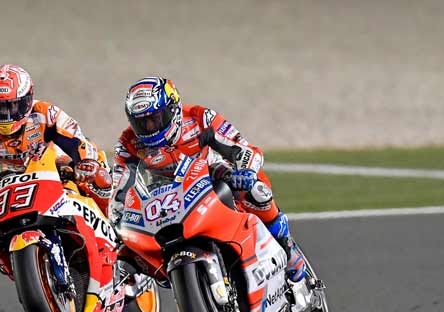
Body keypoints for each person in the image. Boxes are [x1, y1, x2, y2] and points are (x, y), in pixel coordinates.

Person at [110, 76, 305, 282]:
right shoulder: (128, 143)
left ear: (173, 109)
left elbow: (243, 148)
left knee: (256, 192)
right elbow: (120, 187)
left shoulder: (200, 118)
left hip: (214, 177)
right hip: (165, 198)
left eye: (155, 118)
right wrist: (116, 218)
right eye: (141, 122)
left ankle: (287, 246)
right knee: (124, 250)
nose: (150, 127)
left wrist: (245, 172)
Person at [0, 64, 112, 266]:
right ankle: (12, 263)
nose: (6, 115)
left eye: (13, 106)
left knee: (99, 179)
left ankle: (116, 233)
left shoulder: (46, 113)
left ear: (28, 100)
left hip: (59, 169)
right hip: (14, 183)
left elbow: (77, 141)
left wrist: (86, 163)